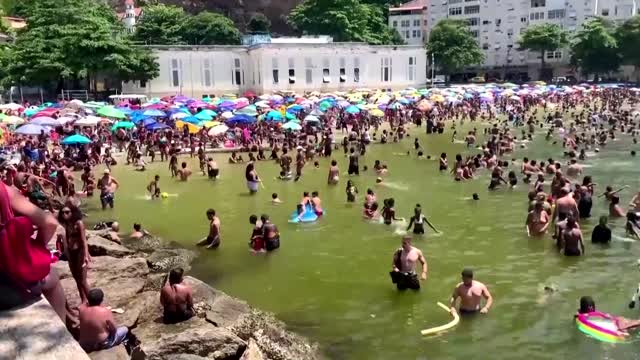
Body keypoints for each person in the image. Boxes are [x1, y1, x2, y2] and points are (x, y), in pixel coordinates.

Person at [58, 204, 90, 303]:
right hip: (71, 253)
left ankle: (93, 303)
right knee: (76, 278)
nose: (65, 214)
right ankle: (83, 300)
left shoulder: (79, 223)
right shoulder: (66, 224)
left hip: (79, 252)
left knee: (83, 280)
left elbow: (84, 241)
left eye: (67, 212)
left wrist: (86, 255)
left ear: (73, 213)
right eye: (63, 212)